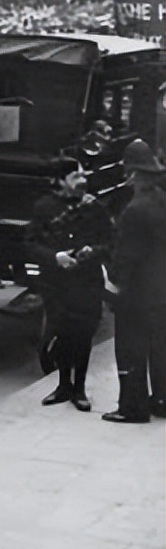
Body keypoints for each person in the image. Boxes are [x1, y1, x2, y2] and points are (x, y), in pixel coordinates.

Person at [25, 161, 114, 413]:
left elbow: (109, 240)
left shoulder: (95, 207)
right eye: (76, 175)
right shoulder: (44, 208)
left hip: (86, 280)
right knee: (62, 331)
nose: (83, 179)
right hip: (56, 282)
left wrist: (91, 252)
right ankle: (63, 386)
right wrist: (55, 257)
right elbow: (30, 244)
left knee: (84, 334)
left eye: (84, 173)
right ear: (61, 180)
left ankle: (80, 389)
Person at [103, 141, 166, 423]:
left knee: (130, 347)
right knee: (160, 346)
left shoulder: (133, 211)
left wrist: (111, 291)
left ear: (132, 174)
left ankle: (133, 407)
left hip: (137, 294)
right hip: (161, 289)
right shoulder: (161, 200)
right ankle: (162, 400)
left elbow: (124, 260)